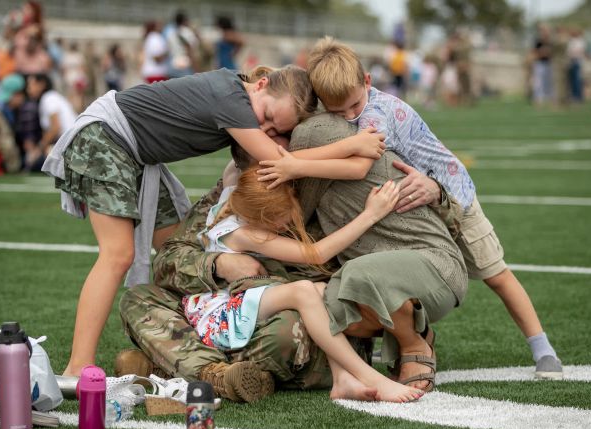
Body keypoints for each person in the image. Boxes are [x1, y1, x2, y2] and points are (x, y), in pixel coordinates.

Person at [41, 65, 385, 377]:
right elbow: (279, 159)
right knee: (118, 255)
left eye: (274, 129)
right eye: (265, 116)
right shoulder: (232, 97)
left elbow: (180, 253)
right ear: (261, 84)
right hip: (108, 137)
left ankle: (180, 350)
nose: (261, 129)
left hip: (137, 155)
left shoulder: (241, 106)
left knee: (173, 253)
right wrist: (353, 145)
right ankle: (77, 366)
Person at [268, 36, 563, 379]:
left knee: (496, 274)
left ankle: (543, 349)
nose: (349, 116)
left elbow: (360, 166)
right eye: (339, 112)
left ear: (368, 82)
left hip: (454, 194)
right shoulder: (348, 106)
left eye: (354, 105)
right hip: (418, 200)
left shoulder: (375, 113)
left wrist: (295, 165)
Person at [118, 112, 466, 400]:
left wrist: (436, 192)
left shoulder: (333, 177)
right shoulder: (240, 194)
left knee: (288, 331)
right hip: (232, 306)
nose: (272, 149)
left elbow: (423, 234)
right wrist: (216, 264)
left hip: (311, 314)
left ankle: (171, 364)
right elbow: (169, 258)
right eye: (261, 136)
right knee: (138, 298)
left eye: (279, 137)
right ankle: (214, 373)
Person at [183, 166, 423, 403]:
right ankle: (369, 376)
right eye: (280, 223)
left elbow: (232, 168)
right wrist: (371, 214)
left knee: (321, 292)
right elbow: (316, 254)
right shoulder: (243, 234)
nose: (284, 227)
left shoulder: (235, 196)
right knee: (304, 290)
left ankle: (342, 379)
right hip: (219, 318)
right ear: (261, 217)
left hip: (237, 302)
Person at [25, 73, 76, 170]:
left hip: (71, 145)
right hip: (70, 144)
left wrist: (37, 150)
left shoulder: (49, 98)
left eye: (31, 84)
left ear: (41, 84)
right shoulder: (51, 97)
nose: (28, 89)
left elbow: (55, 128)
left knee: (34, 164)